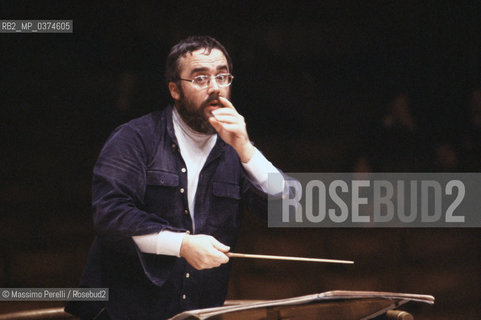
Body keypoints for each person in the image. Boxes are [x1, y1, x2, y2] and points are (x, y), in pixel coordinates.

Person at [65, 36, 285, 319]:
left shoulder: (235, 150)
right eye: (200, 78)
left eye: (222, 76)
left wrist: (246, 149)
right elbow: (110, 214)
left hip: (196, 312)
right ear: (175, 89)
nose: (215, 88)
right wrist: (181, 244)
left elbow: (289, 208)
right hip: (121, 311)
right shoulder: (134, 138)